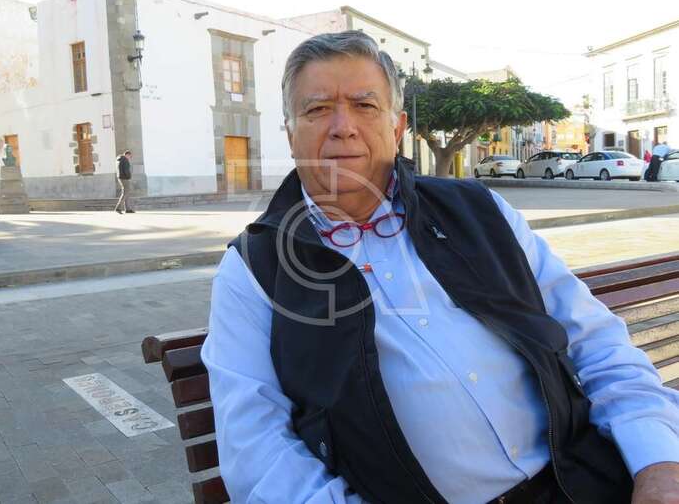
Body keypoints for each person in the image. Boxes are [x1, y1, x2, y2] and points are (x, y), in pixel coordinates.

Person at [201, 31, 679, 503]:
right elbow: (257, 448)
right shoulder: (255, 268)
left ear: (396, 128)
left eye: (365, 105)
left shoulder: (481, 211)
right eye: (318, 109)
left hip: (580, 482)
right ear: (291, 133)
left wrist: (657, 463)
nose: (343, 126)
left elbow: (594, 340)